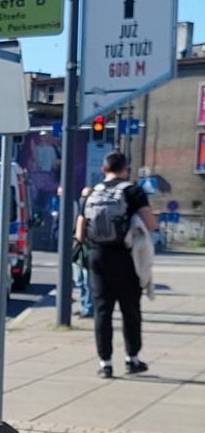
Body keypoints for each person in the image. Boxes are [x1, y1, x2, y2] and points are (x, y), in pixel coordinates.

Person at [75, 151, 156, 378]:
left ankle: (105, 364)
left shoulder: (90, 194)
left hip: (98, 257)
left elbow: (79, 234)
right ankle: (132, 359)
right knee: (130, 310)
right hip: (126, 257)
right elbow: (149, 224)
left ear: (103, 169)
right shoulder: (133, 192)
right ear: (125, 169)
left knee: (102, 311)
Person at [71, 186, 93, 318]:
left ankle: (88, 307)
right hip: (79, 250)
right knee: (79, 281)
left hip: (87, 250)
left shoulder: (91, 214)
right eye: (82, 196)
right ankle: (84, 305)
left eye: (86, 196)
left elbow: (79, 235)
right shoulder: (78, 212)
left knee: (87, 281)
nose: (83, 199)